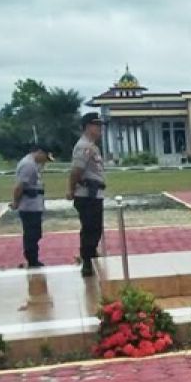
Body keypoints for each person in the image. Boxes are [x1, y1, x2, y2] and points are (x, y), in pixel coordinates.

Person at [68, 112, 107, 277]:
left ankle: (91, 255)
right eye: (96, 126)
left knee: (95, 228)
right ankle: (87, 261)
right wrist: (70, 189)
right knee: (90, 229)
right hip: (86, 194)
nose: (100, 129)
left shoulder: (92, 146)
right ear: (87, 127)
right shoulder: (84, 146)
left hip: (94, 193)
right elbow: (76, 170)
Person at [12, 143, 52, 268]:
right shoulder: (28, 165)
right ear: (39, 152)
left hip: (34, 205)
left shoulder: (32, 164)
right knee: (31, 234)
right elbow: (19, 187)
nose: (45, 160)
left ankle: (33, 258)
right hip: (29, 206)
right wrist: (16, 202)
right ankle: (32, 259)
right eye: (45, 157)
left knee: (35, 233)